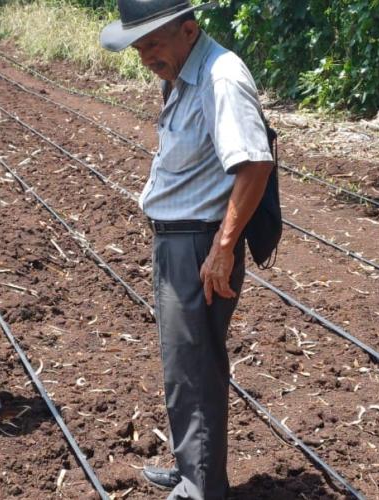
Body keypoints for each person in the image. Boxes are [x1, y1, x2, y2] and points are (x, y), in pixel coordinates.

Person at [101, 1, 274, 498]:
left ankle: (201, 490)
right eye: (138, 47)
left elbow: (254, 165)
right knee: (182, 365)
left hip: (201, 243)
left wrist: (222, 247)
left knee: (195, 368)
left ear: (189, 30)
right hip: (179, 239)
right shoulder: (183, 74)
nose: (144, 56)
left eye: (153, 43)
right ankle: (190, 468)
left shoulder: (221, 78)